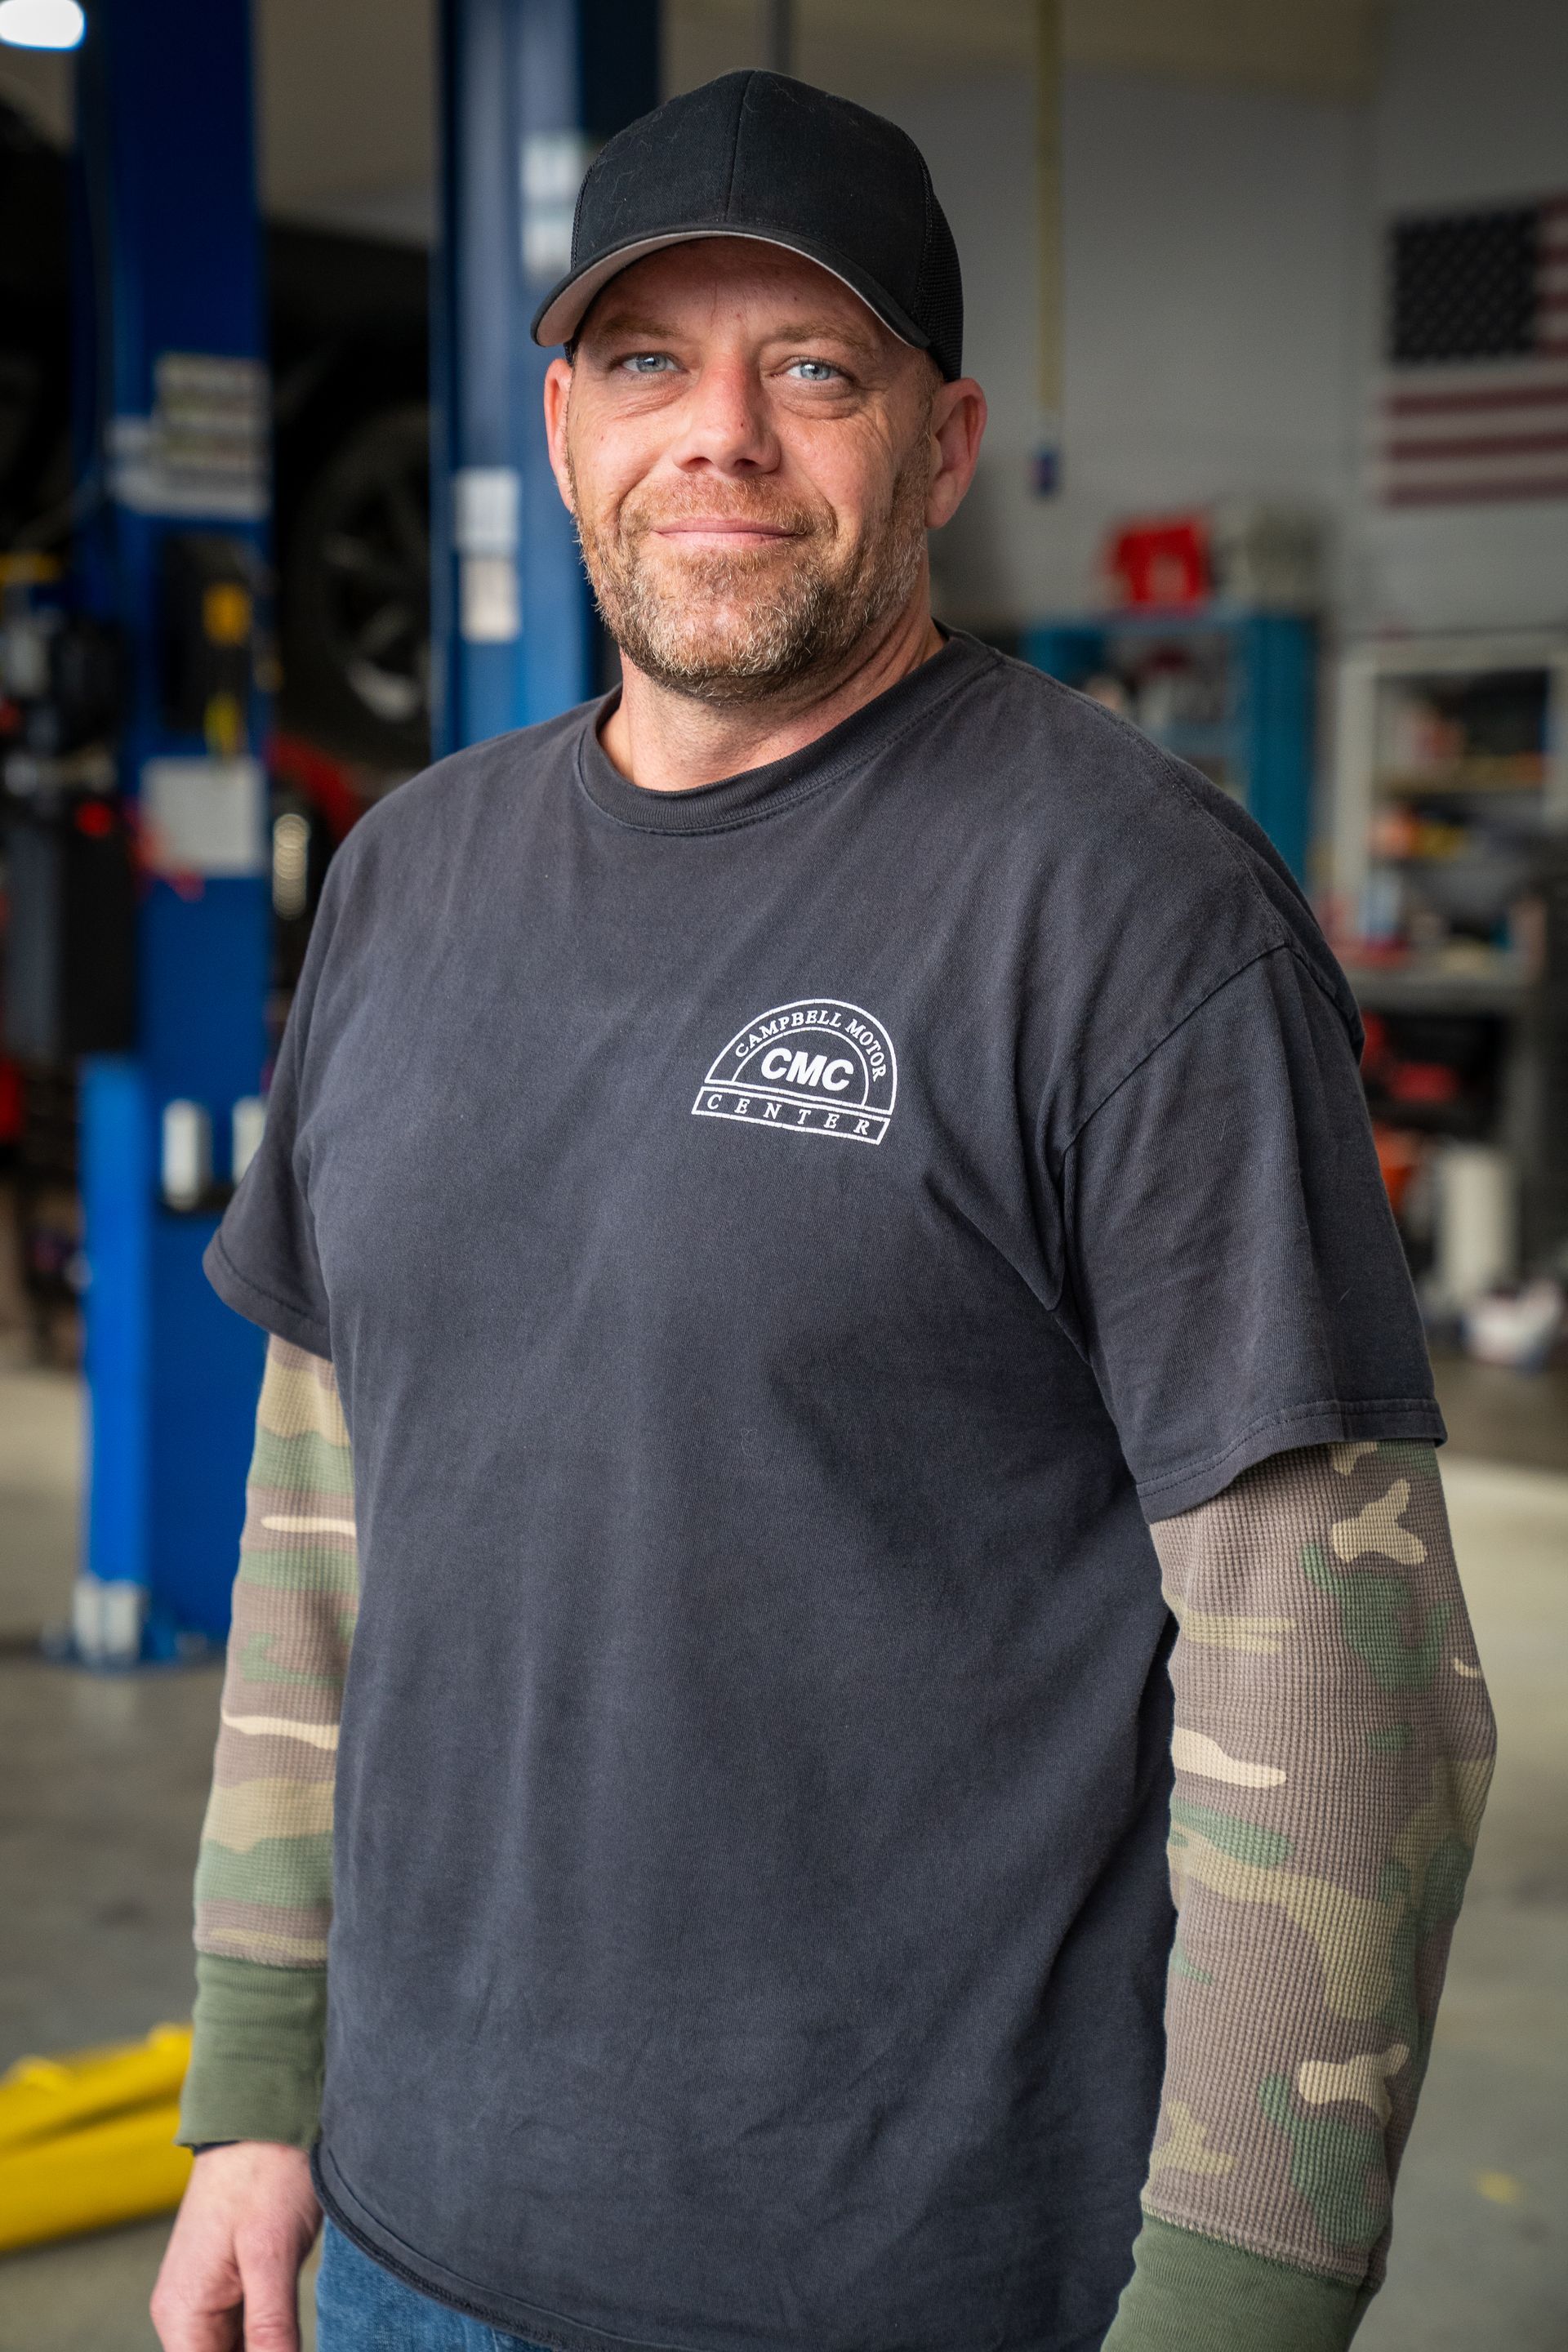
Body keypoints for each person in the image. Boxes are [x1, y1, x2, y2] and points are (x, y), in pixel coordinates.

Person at [151, 69, 1494, 2352]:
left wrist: (1240, 2308)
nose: (723, 440)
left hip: (905, 2280)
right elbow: (319, 1523)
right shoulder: (406, 878)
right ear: (562, 426)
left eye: (814, 370)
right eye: (647, 363)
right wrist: (258, 2089)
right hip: (394, 2234)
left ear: (942, 446)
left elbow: (1338, 1678)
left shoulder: (1129, 912)